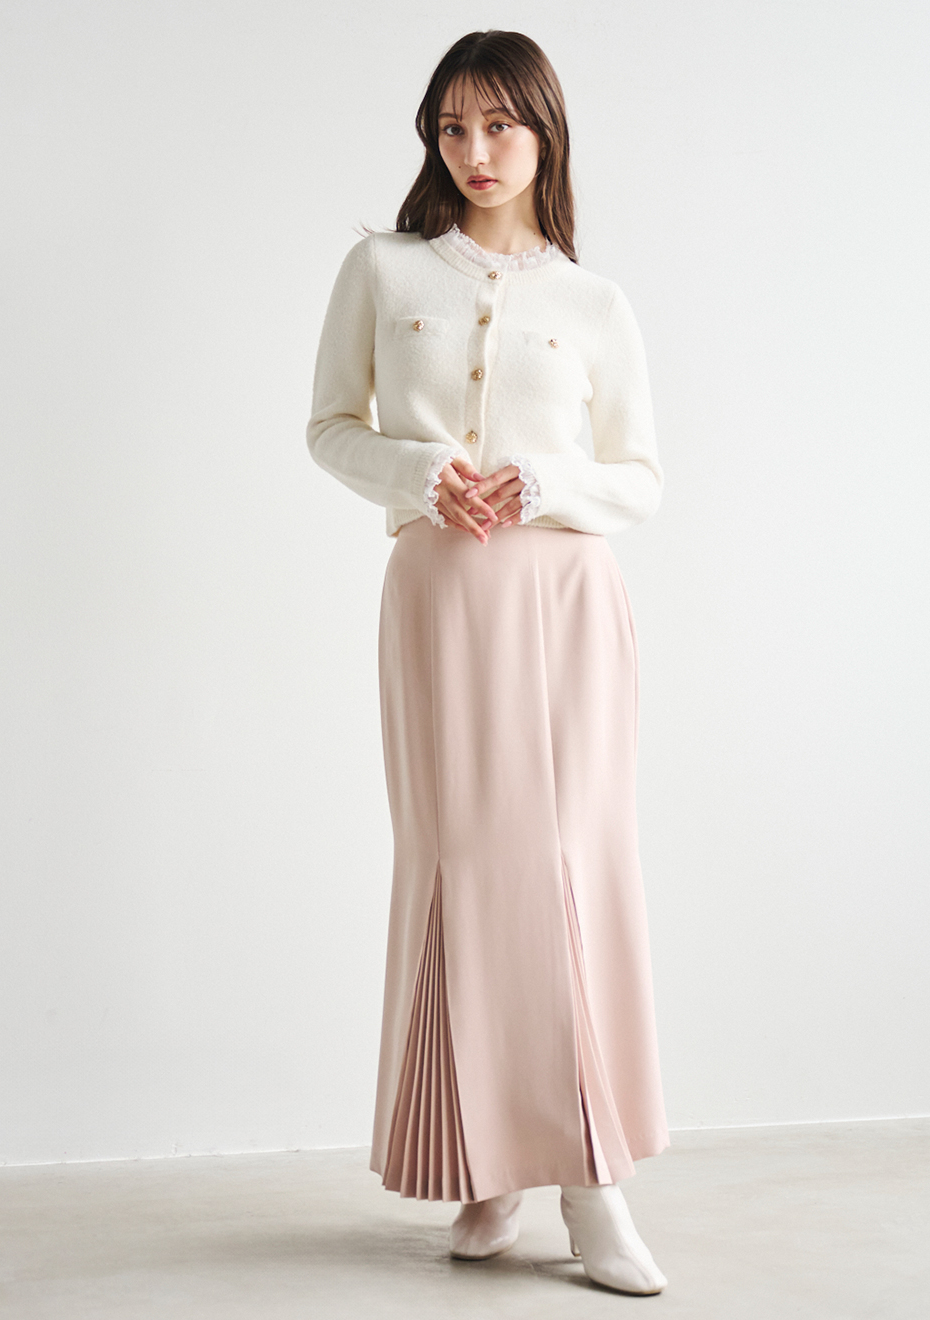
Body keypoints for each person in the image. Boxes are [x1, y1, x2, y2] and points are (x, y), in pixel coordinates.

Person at [307, 30, 669, 1296]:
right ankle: (484, 1162)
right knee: (464, 869)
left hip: (566, 602)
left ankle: (589, 1182)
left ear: (543, 133)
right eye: (451, 127)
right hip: (439, 600)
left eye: (498, 125)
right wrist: (420, 473)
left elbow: (641, 479)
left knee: (567, 865)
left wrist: (545, 482)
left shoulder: (593, 302)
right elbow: (329, 428)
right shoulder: (382, 268)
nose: (473, 151)